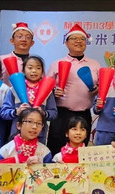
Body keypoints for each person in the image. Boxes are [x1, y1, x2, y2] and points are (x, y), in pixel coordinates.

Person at [47, 24, 100, 154]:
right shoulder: (56, 64)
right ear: (66, 43)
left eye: (82, 39)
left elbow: (102, 87)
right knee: (57, 148)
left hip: (84, 114)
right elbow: (46, 88)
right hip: (61, 114)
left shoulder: (95, 64)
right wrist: (54, 92)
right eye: (74, 38)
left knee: (81, 150)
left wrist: (98, 90)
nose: (78, 41)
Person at [0, 56, 58, 144]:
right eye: (30, 68)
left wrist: (44, 113)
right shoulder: (14, 89)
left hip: (39, 136)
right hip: (17, 135)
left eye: (38, 68)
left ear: (42, 71)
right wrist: (16, 111)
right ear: (23, 70)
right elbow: (4, 113)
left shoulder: (48, 90)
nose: (34, 71)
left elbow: (54, 113)